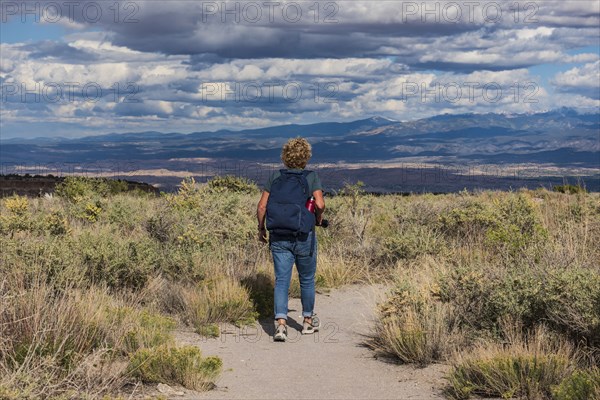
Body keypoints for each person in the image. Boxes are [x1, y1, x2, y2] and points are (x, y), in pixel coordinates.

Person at [256, 137, 325, 342]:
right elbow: (319, 204)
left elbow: (262, 207)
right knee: (306, 279)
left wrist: (261, 229)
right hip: (304, 235)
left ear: (285, 156)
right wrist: (318, 219)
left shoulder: (275, 177)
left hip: (278, 236)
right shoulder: (311, 177)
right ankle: (307, 322)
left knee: (282, 281)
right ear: (306, 157)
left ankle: (280, 325)